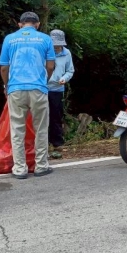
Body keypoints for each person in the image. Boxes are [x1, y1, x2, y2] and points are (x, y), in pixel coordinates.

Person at [0, 11, 56, 179]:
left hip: (16, 89)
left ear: (20, 24)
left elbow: (4, 67)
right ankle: (41, 166)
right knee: (41, 129)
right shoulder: (45, 39)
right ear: (37, 24)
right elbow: (50, 66)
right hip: (38, 88)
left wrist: (6, 85)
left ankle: (19, 169)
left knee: (17, 130)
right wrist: (44, 81)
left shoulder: (9, 39)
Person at [47, 29, 75, 159]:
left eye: (58, 44)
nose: (56, 47)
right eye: (54, 44)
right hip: (43, 87)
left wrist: (64, 78)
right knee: (42, 116)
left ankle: (57, 143)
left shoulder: (66, 53)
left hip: (57, 89)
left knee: (56, 115)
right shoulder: (45, 51)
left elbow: (70, 70)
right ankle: (43, 143)